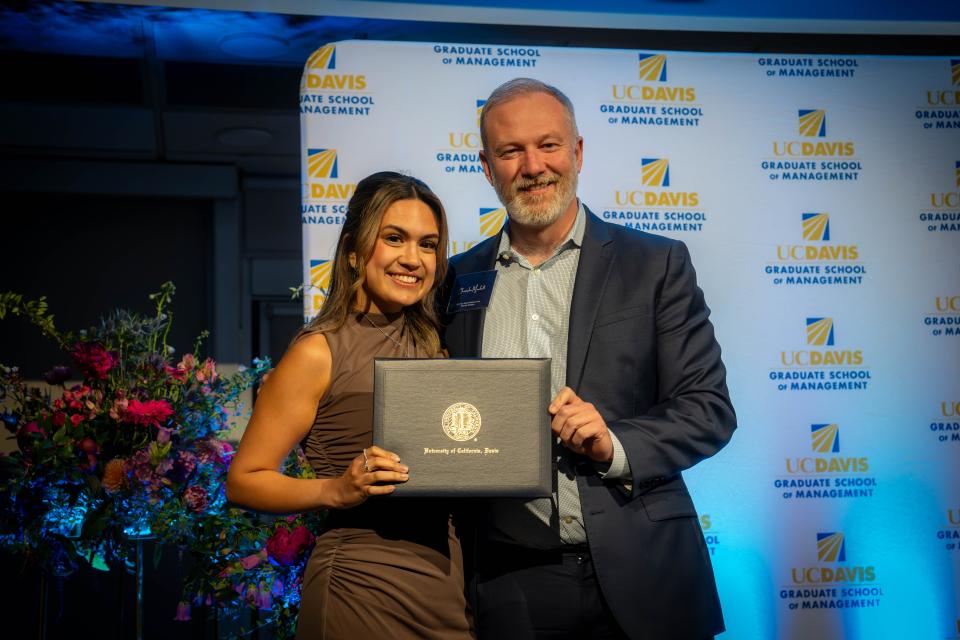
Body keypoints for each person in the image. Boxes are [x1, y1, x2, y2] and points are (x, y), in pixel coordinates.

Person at [440, 78, 736, 639]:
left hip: (645, 571)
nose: (533, 165)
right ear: (485, 165)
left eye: (548, 145)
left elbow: (709, 410)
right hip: (507, 581)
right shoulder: (455, 280)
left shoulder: (656, 264)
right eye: (511, 151)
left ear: (578, 152)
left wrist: (615, 443)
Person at [227, 171, 473, 639]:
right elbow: (244, 482)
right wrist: (334, 490)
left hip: (446, 590)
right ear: (356, 251)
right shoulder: (318, 350)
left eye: (428, 244)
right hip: (360, 587)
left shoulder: (438, 345)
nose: (412, 258)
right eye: (394, 238)